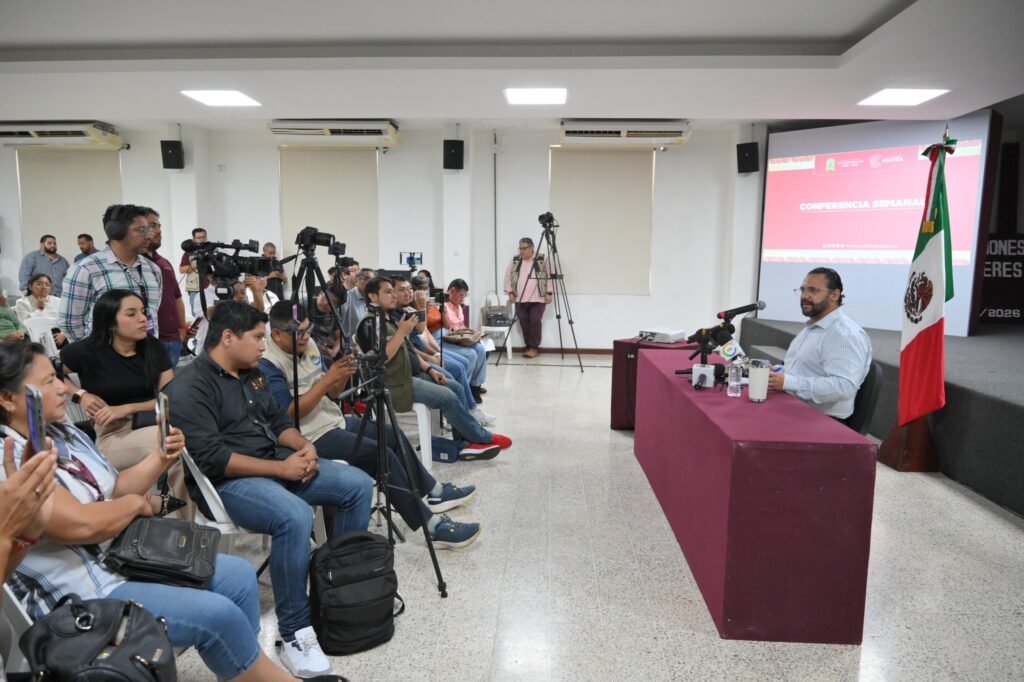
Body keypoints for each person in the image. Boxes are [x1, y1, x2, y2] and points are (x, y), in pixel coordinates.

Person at [0, 340, 321, 682]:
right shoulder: (9, 461)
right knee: (218, 616)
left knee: (239, 576)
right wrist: (137, 505)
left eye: (57, 378)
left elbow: (116, 487)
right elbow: (82, 526)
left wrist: (161, 458)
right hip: (84, 594)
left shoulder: (65, 434)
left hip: (123, 558)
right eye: (48, 382)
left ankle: (245, 669)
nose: (64, 388)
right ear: (7, 398)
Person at [164, 301, 372, 678]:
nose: (264, 345)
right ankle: (295, 631)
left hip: (275, 464)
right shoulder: (189, 387)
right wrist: (282, 467)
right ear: (228, 337)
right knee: (294, 515)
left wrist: (304, 446)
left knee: (356, 484)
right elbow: (214, 459)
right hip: (228, 484)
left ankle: (334, 595)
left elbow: (278, 422)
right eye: (258, 337)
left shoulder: (254, 373)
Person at [260, 302, 482, 549]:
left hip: (332, 419)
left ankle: (434, 490)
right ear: (276, 334)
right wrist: (327, 381)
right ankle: (432, 527)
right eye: (298, 333)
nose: (305, 337)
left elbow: (332, 393)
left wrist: (342, 375)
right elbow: (288, 415)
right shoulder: (269, 364)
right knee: (381, 455)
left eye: (307, 329)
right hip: (310, 435)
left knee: (392, 434)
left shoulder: (308, 345)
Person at [58, 290, 192, 517]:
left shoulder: (152, 347)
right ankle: (183, 523)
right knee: (175, 448)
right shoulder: (87, 350)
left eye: (143, 312)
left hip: (152, 423)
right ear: (111, 322)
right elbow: (50, 372)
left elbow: (169, 397)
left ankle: (183, 519)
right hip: (112, 434)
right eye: (131, 314)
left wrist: (128, 408)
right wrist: (80, 394)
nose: (142, 319)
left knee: (180, 444)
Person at [357, 277, 510, 460]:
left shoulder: (389, 320)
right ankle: (482, 437)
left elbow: (409, 352)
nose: (394, 296)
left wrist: (430, 370)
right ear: (373, 296)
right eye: (388, 292)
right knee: (447, 397)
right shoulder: (369, 324)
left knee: (455, 387)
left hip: (411, 375)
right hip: (395, 384)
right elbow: (381, 359)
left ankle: (466, 442)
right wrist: (401, 332)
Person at [768, 267, 873, 423]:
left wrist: (788, 382)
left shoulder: (845, 334)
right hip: (796, 410)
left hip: (823, 421)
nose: (805, 296)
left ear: (834, 295)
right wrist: (777, 372)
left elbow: (843, 386)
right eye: (803, 290)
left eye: (813, 290)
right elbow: (806, 370)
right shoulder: (812, 328)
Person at [59, 204, 163, 343]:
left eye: (148, 229)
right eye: (142, 230)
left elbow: (153, 313)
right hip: (102, 354)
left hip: (147, 352)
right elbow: (69, 323)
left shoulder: (152, 269)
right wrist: (92, 351)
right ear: (116, 232)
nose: (149, 235)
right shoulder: (86, 269)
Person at [399, 276, 493, 425]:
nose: (409, 293)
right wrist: (432, 360)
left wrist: (436, 352)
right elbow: (416, 341)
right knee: (461, 365)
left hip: (432, 343)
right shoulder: (404, 313)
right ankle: (464, 412)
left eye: (410, 289)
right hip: (424, 353)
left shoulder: (416, 308)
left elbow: (423, 333)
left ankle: (469, 400)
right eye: (402, 290)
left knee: (476, 352)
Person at [142, 208, 187, 367]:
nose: (159, 230)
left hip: (173, 339)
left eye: (159, 226)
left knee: (170, 382)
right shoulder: (136, 263)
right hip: (151, 340)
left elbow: (176, 297)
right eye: (153, 225)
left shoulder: (164, 262)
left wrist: (182, 328)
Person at [503, 237, 553, 358]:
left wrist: (549, 292)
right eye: (520, 248)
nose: (522, 251)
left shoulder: (542, 259)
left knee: (535, 320)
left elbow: (551, 275)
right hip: (520, 298)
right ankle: (529, 345)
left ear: (532, 248)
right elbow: (507, 276)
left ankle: (534, 347)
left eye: (524, 248)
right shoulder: (515, 260)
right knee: (523, 321)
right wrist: (510, 292)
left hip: (538, 298)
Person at [441, 279, 489, 403]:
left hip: (460, 339)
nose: (463, 299)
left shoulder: (458, 307)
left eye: (464, 296)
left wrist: (473, 335)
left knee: (481, 349)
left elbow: (462, 325)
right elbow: (448, 328)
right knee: (472, 354)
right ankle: (465, 388)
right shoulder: (443, 306)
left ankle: (475, 386)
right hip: (449, 340)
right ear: (452, 291)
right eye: (461, 295)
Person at [179, 227, 210, 312]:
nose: (202, 240)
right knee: (196, 313)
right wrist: (197, 264)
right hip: (195, 289)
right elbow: (181, 270)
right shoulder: (188, 252)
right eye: (199, 238)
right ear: (193, 239)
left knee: (211, 312)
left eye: (204, 237)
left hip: (209, 287)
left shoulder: (211, 250)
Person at [340, 268, 374, 338]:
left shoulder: (375, 299)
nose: (370, 282)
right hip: (349, 342)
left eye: (373, 280)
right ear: (356, 281)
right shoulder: (347, 297)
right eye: (367, 278)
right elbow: (336, 326)